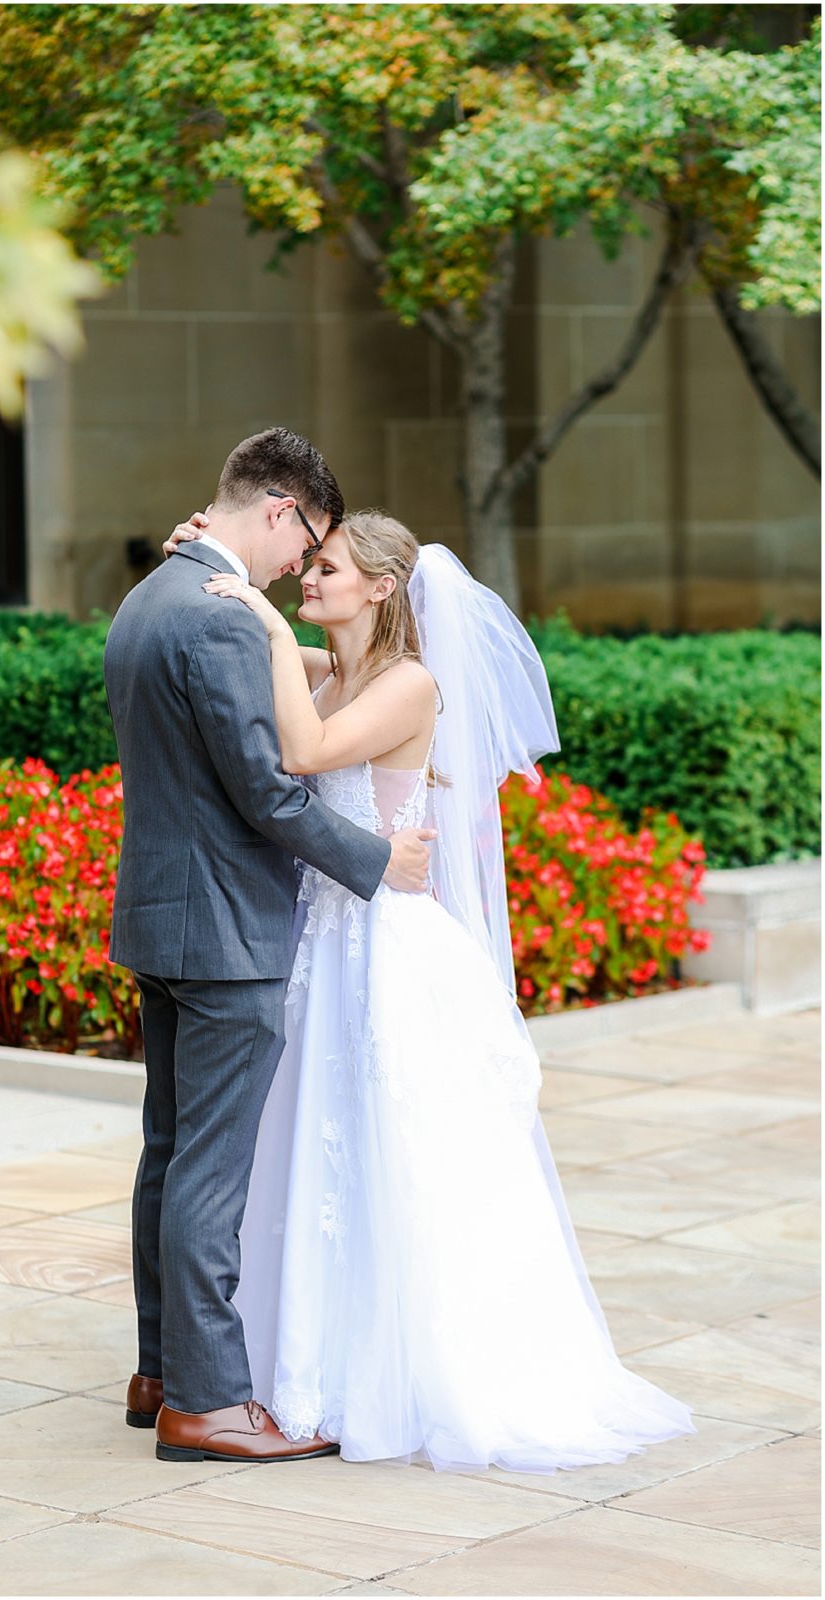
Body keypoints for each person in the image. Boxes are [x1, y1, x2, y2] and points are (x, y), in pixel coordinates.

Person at [167, 504, 695, 1474]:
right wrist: (221, 557)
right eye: (305, 566)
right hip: (326, 941)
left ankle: (396, 1369)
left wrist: (268, 622)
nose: (306, 580)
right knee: (320, 1147)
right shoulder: (345, 670)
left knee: (394, 1148)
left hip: (384, 949)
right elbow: (285, 695)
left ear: (378, 586)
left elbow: (306, 753)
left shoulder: (408, 683)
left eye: (324, 568)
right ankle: (303, 1360)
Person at [102, 431, 436, 1466]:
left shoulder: (156, 595)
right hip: (225, 932)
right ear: (284, 510)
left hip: (162, 916)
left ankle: (161, 1366)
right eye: (307, 548)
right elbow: (269, 786)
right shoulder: (217, 616)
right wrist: (378, 861)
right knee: (208, 1168)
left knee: (167, 1154)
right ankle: (203, 1401)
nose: (298, 572)